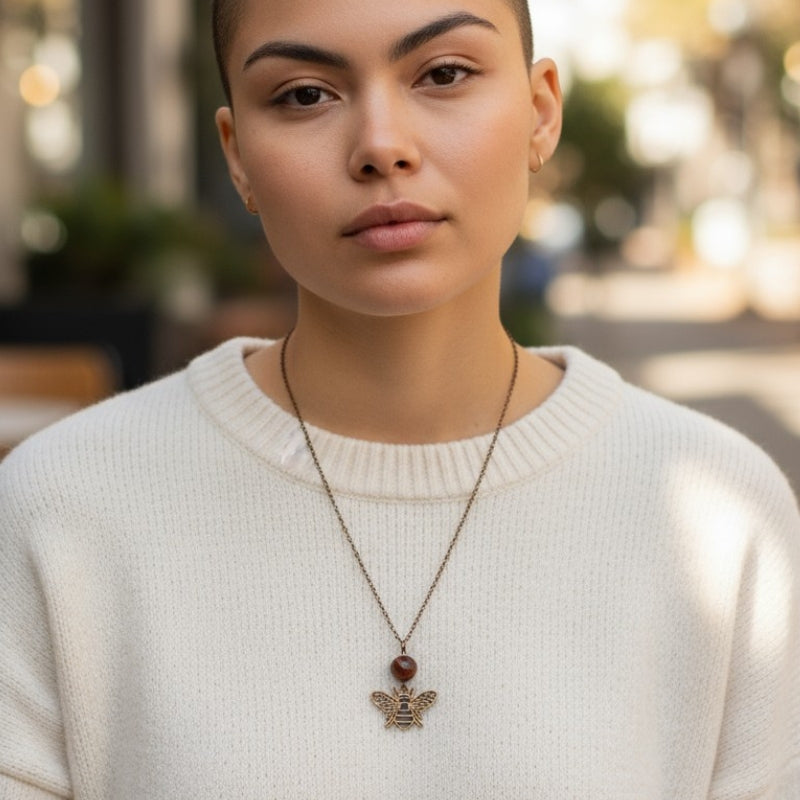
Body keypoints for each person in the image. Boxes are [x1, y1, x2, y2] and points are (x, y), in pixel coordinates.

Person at [1, 0, 799, 796]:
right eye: (304, 95)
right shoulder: (62, 508)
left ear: (540, 113)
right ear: (237, 155)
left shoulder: (724, 523)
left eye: (444, 74)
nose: (382, 146)